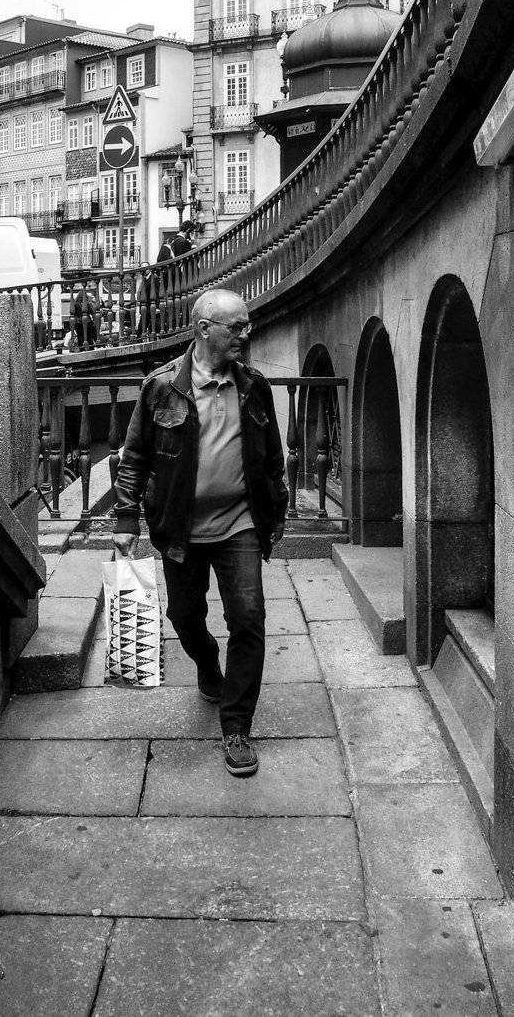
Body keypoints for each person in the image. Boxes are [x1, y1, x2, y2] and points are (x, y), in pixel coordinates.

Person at [111, 288, 288, 776]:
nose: (246, 334)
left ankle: (236, 727)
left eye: (247, 325)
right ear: (204, 328)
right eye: (237, 326)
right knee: (185, 617)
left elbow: (272, 457)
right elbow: (135, 457)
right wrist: (125, 519)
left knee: (248, 619)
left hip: (240, 524)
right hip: (180, 528)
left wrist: (276, 510)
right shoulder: (161, 386)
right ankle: (208, 664)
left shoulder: (254, 385)